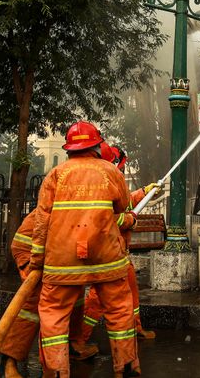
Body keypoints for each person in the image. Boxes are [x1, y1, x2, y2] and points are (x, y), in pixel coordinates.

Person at [31, 121, 140, 378]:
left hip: (62, 262)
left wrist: (37, 260)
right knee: (120, 312)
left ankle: (57, 372)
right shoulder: (111, 172)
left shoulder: (55, 176)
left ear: (69, 148)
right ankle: (125, 368)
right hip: (108, 260)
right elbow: (122, 210)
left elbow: (41, 222)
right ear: (97, 145)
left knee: (54, 316)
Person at [0, 207, 97, 378]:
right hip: (32, 255)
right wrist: (33, 266)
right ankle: (9, 359)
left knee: (76, 295)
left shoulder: (86, 202)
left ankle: (73, 344)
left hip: (57, 258)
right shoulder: (58, 202)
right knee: (32, 308)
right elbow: (24, 242)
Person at [77, 145, 158, 348]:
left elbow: (125, 203)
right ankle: (80, 340)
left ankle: (136, 328)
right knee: (98, 298)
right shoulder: (99, 184)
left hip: (120, 251)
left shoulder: (108, 180)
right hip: (106, 252)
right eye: (119, 166)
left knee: (131, 290)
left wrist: (145, 192)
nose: (121, 170)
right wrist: (129, 221)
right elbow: (107, 219)